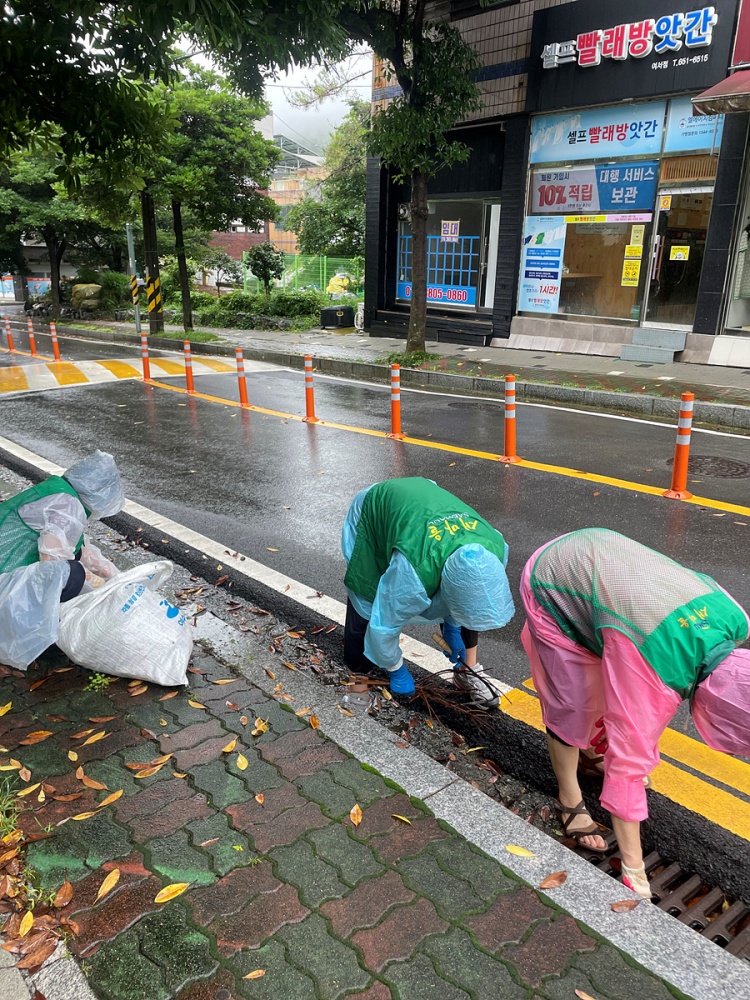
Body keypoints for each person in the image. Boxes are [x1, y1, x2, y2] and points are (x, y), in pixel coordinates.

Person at [521, 528, 750, 899]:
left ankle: (590, 754)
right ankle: (569, 798)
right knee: (573, 702)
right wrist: (633, 870)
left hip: (604, 553)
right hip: (554, 578)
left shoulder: (737, 619)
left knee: (611, 688)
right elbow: (628, 765)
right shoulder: (653, 671)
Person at [341, 477, 514, 709]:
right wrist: (396, 668)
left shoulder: (494, 548)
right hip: (376, 510)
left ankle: (467, 670)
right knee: (365, 599)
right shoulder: (413, 572)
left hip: (425, 510)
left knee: (473, 604)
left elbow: (467, 599)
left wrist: (453, 626)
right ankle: (358, 685)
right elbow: (384, 622)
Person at [0, 450, 125, 669]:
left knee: (74, 564)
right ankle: (36, 633)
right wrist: (97, 590)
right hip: (4, 582)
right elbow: (52, 564)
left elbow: (83, 553)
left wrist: (121, 581)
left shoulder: (59, 493)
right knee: (72, 573)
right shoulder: (67, 506)